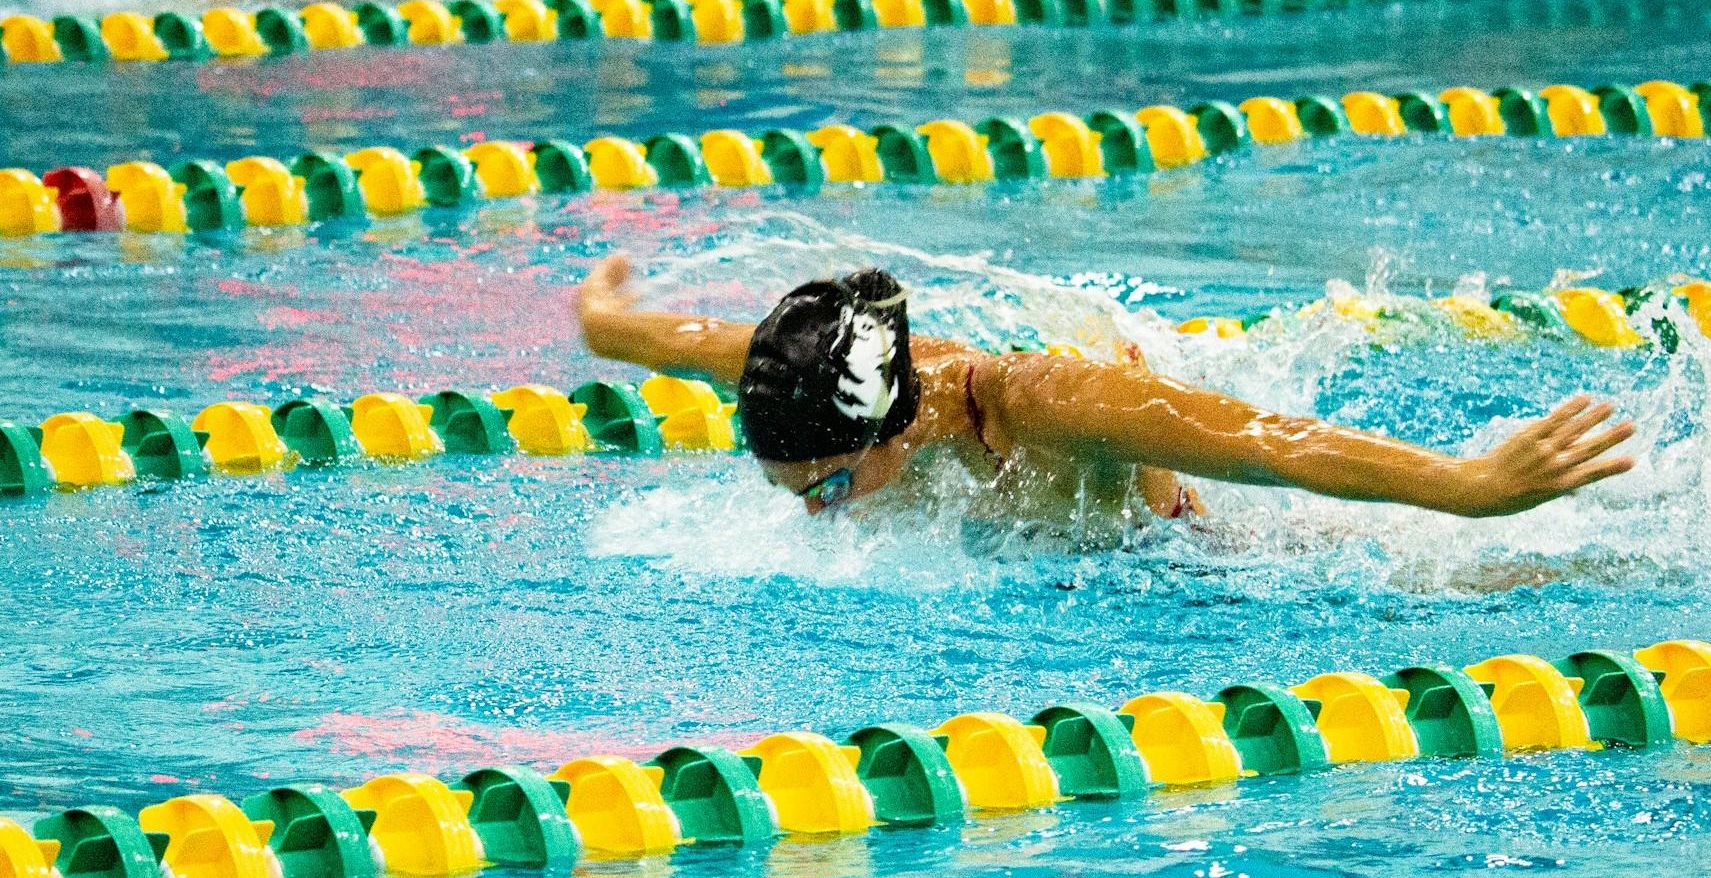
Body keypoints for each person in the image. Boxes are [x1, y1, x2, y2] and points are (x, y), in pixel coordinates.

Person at [576, 254, 1635, 524]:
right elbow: (670, 335)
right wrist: (599, 316)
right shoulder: (807, 383)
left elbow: (1273, 440)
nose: (815, 517)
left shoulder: (1041, 403)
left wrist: (1473, 483)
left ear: (893, 434)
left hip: (1194, 551)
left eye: (832, 492)